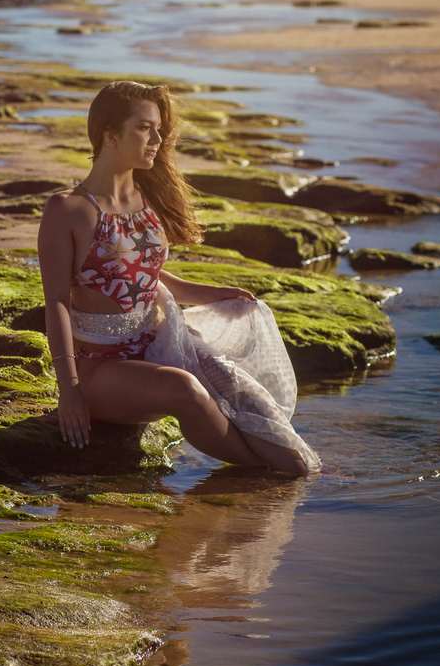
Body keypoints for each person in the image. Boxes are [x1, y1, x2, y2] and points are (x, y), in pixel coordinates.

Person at [37, 80, 320, 475]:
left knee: (267, 422)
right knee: (185, 389)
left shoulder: (145, 197)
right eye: (144, 128)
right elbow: (57, 304)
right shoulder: (67, 210)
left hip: (164, 344)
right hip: (100, 369)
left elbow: (146, 277)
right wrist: (69, 391)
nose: (157, 138)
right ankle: (264, 479)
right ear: (109, 134)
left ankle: (295, 477)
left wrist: (219, 294)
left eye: (158, 128)